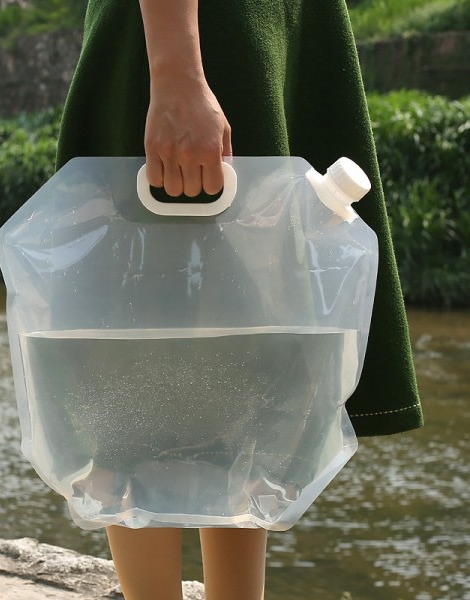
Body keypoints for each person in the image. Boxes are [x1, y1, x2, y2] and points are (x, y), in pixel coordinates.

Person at [55, 1, 424, 598]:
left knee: (256, 370)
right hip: (199, 33)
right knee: (133, 372)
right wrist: (176, 70)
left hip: (281, 26)